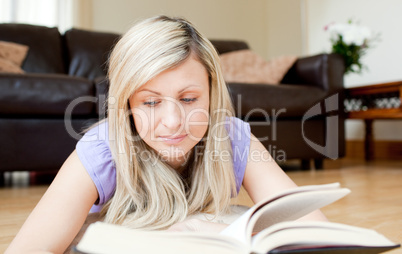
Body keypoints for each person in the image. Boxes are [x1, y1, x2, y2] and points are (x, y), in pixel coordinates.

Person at [6, 15, 326, 254]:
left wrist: (208, 229)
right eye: (150, 102)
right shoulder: (103, 149)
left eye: (189, 99)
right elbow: (30, 249)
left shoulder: (232, 137)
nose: (173, 122)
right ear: (127, 104)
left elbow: (313, 226)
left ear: (213, 94)